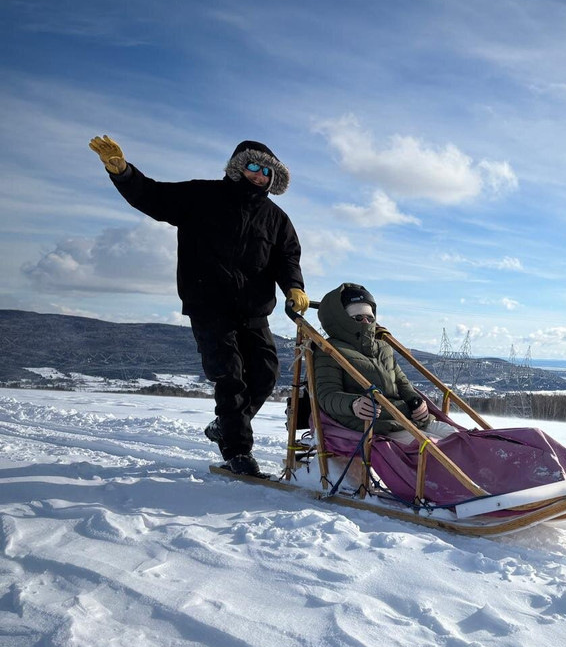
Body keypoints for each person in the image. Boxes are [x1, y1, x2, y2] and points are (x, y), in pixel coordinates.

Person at [89, 134, 309, 475]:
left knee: (265, 375)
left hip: (253, 310)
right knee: (230, 375)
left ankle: (226, 425)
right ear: (239, 167)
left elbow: (287, 258)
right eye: (253, 166)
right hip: (209, 305)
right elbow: (152, 196)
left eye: (267, 171)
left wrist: (294, 287)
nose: (260, 175)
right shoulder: (201, 195)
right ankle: (237, 451)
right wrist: (122, 172)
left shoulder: (276, 218)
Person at [313, 283, 457, 443]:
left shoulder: (383, 347)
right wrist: (353, 404)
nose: (366, 322)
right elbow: (327, 395)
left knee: (458, 437)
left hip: (406, 416)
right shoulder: (329, 351)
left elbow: (402, 383)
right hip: (375, 423)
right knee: (432, 447)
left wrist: (415, 401)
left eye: (370, 317)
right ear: (341, 320)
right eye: (358, 318)